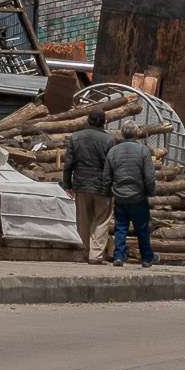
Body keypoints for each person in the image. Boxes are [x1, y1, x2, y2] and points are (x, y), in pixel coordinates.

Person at [61, 107, 115, 262]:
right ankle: (95, 254)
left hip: (81, 184)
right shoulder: (109, 140)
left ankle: (87, 250)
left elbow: (68, 163)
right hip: (102, 187)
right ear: (105, 122)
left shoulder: (76, 137)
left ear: (87, 120)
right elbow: (111, 166)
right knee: (101, 220)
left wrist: (67, 185)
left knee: (83, 220)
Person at [105, 118, 158, 268]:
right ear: (136, 134)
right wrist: (150, 192)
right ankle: (147, 258)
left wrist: (110, 190)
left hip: (120, 196)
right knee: (142, 229)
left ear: (122, 134)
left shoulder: (113, 151)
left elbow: (107, 175)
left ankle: (118, 256)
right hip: (138, 197)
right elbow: (149, 176)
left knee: (120, 228)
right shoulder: (143, 151)